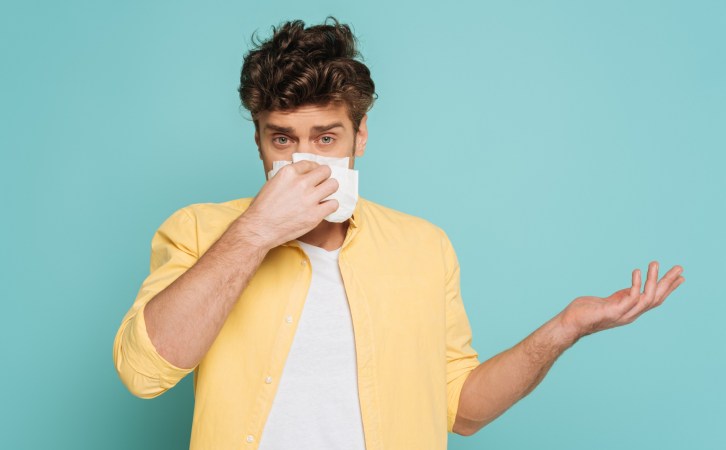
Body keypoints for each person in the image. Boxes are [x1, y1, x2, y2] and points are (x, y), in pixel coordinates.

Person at [112, 17, 686, 450]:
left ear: (361, 136)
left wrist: (565, 328)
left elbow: (461, 410)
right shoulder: (199, 231)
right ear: (258, 141)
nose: (304, 159)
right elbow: (143, 371)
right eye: (282, 139)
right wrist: (255, 232)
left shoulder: (423, 248)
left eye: (326, 137)